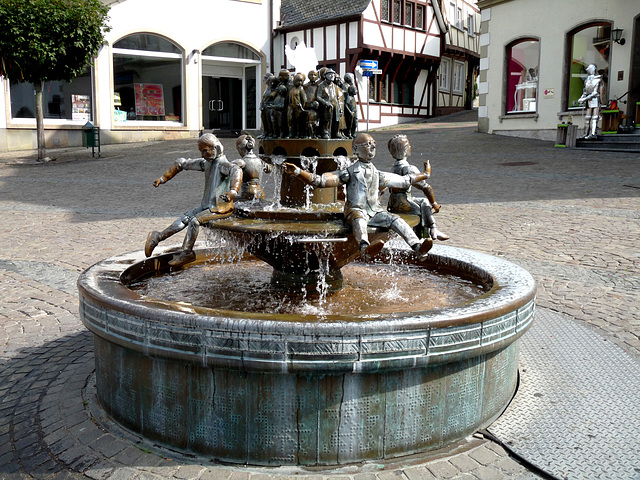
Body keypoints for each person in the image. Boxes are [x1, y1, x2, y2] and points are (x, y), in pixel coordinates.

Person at [283, 133, 433, 258]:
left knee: (396, 220)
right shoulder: (348, 172)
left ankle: (417, 246)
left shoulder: (377, 173)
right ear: (356, 150)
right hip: (356, 211)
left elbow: (404, 180)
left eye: (373, 143)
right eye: (368, 144)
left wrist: (425, 175)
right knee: (359, 220)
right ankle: (364, 248)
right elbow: (320, 181)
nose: (373, 146)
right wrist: (298, 172)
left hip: (375, 211)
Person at [144, 133, 241, 266]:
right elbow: (182, 163)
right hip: (207, 206)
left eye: (205, 151)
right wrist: (163, 178)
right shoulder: (207, 163)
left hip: (220, 208)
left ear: (216, 148)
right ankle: (158, 237)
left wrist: (233, 191)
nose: (202, 155)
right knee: (185, 218)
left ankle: (187, 253)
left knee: (195, 221)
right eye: (201, 151)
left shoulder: (223, 165)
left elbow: (236, 171)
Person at [386, 134, 449, 241]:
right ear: (406, 149)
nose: (411, 147)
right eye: (409, 145)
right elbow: (426, 187)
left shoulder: (393, 169)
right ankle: (431, 230)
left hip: (393, 204)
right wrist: (434, 204)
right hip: (405, 203)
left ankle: (422, 237)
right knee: (424, 203)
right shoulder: (409, 169)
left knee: (419, 207)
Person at [234, 134, 271, 201]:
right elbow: (269, 169)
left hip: (248, 193)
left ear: (239, 149)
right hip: (260, 192)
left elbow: (230, 171)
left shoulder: (241, 162)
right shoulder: (260, 161)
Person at [578, 64, 602, 139]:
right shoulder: (587, 80)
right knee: (587, 117)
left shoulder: (598, 79)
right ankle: (586, 133)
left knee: (594, 118)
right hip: (589, 101)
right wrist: (581, 98)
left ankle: (593, 133)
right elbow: (585, 91)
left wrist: (585, 99)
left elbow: (595, 92)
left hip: (595, 100)